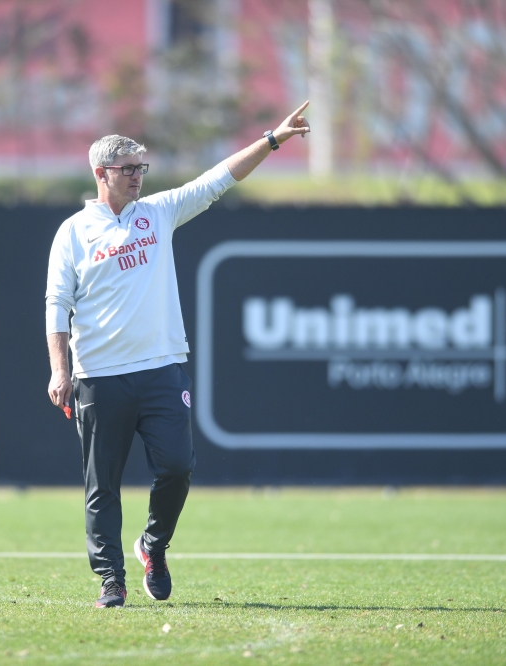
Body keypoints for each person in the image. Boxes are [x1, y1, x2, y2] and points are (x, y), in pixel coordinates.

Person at [45, 101, 311, 608]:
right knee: (103, 487)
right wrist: (60, 369)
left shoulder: (158, 214)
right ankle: (110, 579)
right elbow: (57, 304)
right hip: (99, 375)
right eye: (128, 169)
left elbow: (217, 179)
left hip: (161, 369)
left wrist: (272, 139)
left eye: (141, 168)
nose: (138, 177)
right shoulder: (73, 233)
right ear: (102, 174)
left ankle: (153, 545)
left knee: (177, 466)